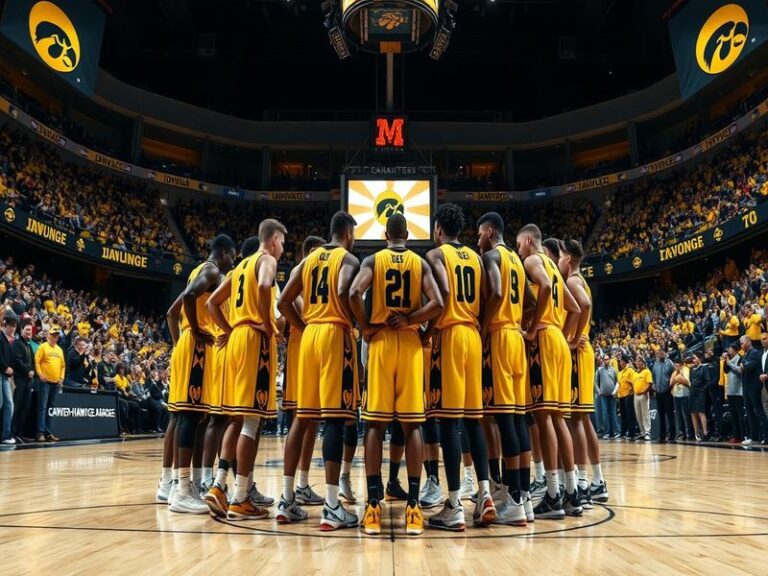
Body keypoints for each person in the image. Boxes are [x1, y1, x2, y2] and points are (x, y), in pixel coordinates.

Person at [349, 212, 443, 536]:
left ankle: (373, 506)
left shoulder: (373, 261)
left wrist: (365, 327)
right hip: (410, 342)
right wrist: (417, 323)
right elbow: (439, 302)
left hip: (381, 343)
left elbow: (353, 293)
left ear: (386, 235)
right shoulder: (420, 263)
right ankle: (413, 507)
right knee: (412, 425)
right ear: (408, 236)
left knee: (375, 425)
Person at [277, 211, 360, 531]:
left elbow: (284, 302)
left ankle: (287, 499)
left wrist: (303, 327)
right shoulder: (347, 259)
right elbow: (345, 292)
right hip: (334, 334)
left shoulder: (308, 261)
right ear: (348, 234)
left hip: (309, 336)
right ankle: (332, 505)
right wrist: (359, 322)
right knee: (336, 419)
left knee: (302, 418)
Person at [423, 204, 495, 530]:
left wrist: (427, 331)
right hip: (473, 335)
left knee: (449, 422)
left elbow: (442, 296)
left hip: (450, 335)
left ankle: (453, 504)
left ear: (438, 228)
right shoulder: (476, 258)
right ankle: (485, 494)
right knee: (474, 421)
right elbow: (491, 294)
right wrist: (481, 324)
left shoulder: (436, 255)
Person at [167, 234, 237, 514]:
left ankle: (188, 486)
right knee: (188, 417)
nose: (232, 262)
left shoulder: (198, 270)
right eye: (232, 257)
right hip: (197, 345)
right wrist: (195, 331)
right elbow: (188, 297)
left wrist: (179, 343)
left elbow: (171, 313)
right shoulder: (211, 270)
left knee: (195, 418)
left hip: (191, 346)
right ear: (224, 252)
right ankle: (182, 491)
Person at [516, 224, 582, 519]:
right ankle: (572, 493)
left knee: (544, 419)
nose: (518, 251)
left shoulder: (534, 260)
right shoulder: (555, 267)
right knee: (558, 419)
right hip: (558, 340)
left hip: (543, 339)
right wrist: (566, 339)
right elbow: (575, 308)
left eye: (519, 245)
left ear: (529, 241)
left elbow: (543, 287)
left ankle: (553, 495)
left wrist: (532, 330)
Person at [476, 212, 535, 525]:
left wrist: (484, 327)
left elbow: (497, 292)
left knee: (504, 419)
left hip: (499, 337)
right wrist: (524, 326)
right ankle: (523, 497)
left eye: (479, 235)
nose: (478, 241)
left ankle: (513, 499)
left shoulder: (492, 257)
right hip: (516, 338)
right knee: (518, 418)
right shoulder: (517, 260)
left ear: (489, 232)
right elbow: (532, 302)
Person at [279, 235, 327, 508]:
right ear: (308, 252)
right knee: (302, 415)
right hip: (303, 345)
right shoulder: (302, 269)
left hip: (309, 342)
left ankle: (302, 485)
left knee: (312, 419)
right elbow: (289, 304)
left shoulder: (309, 272)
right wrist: (304, 325)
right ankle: (292, 490)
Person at [559, 238, 607, 505]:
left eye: (560, 257)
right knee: (584, 419)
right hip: (585, 351)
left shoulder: (573, 281)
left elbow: (584, 305)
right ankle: (597, 480)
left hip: (578, 352)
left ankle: (582, 482)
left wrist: (574, 338)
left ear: (567, 259)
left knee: (576, 419)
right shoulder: (581, 280)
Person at [34, 327, 65, 443]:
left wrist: (62, 378)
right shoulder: (43, 347)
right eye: (53, 335)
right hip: (45, 382)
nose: (54, 337)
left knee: (50, 408)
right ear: (48, 336)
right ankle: (40, 433)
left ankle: (48, 433)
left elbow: (63, 366)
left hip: (56, 383)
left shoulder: (59, 350)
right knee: (42, 408)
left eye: (56, 336)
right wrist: (40, 374)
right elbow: (37, 361)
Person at [740, 334, 768, 446]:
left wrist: (743, 364)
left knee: (759, 411)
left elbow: (747, 367)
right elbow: (742, 366)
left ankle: (765, 436)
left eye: (742, 343)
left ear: (748, 342)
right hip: (746, 387)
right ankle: (753, 436)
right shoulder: (746, 354)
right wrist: (744, 364)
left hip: (754, 387)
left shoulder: (755, 352)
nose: (741, 345)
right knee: (749, 412)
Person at [11, 320, 36, 440]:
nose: (29, 332)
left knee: (25, 408)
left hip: (28, 382)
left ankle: (20, 434)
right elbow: (16, 360)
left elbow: (33, 362)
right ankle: (12, 433)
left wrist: (33, 371)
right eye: (27, 329)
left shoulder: (29, 345)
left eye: (30, 330)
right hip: (19, 380)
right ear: (21, 330)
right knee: (17, 407)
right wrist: (28, 371)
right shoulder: (17, 344)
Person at [722, 343, 745, 443]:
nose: (728, 351)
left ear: (735, 350)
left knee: (740, 415)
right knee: (733, 415)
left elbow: (739, 371)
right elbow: (725, 371)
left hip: (738, 392)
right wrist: (725, 361)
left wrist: (729, 363)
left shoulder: (740, 358)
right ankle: (736, 435)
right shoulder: (729, 359)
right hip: (730, 391)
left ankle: (743, 435)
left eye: (730, 349)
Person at [651, 349, 675, 443]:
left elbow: (674, 374)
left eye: (661, 353)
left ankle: (672, 435)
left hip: (667, 392)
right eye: (658, 353)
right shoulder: (655, 364)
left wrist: (670, 385)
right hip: (658, 393)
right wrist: (654, 385)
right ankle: (662, 435)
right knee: (661, 414)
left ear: (665, 354)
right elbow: (653, 376)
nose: (659, 355)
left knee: (670, 414)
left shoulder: (669, 363)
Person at [0, 312, 17, 444]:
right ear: (4, 325)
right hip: (1, 374)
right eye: (10, 326)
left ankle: (6, 436)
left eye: (14, 326)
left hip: (5, 377)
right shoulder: (1, 338)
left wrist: (10, 369)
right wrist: (6, 367)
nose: (13, 329)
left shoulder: (8, 341)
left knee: (9, 404)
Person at [594, 354, 619, 439]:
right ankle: (607, 432)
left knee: (613, 414)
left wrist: (615, 392)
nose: (606, 361)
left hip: (612, 396)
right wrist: (599, 392)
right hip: (603, 396)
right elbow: (595, 382)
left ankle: (616, 432)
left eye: (607, 359)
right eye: (604, 359)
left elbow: (617, 382)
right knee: (605, 414)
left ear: (610, 360)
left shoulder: (613, 370)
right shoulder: (599, 370)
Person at [670, 359, 692, 441]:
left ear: (681, 364)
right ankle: (682, 433)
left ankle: (689, 432)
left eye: (677, 364)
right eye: (675, 365)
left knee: (686, 415)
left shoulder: (686, 370)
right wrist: (675, 376)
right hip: (676, 395)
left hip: (685, 395)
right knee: (679, 415)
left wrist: (680, 378)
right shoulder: (675, 372)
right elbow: (670, 383)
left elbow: (688, 382)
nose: (675, 366)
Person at [688, 352, 709, 442]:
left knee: (701, 412)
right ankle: (696, 433)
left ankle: (705, 432)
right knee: (693, 412)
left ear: (700, 358)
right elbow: (690, 380)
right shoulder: (692, 369)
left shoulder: (704, 368)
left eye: (695, 358)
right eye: (693, 358)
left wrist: (703, 389)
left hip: (700, 392)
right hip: (692, 392)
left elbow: (707, 380)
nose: (694, 359)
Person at [632, 356, 652, 441]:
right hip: (636, 395)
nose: (637, 362)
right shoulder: (635, 373)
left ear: (642, 362)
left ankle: (647, 432)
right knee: (638, 414)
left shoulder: (647, 371)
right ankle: (642, 432)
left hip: (643, 395)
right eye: (636, 361)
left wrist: (644, 392)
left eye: (638, 361)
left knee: (645, 414)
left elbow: (650, 383)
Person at [617, 356, 637, 440]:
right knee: (623, 415)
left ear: (626, 362)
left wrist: (631, 392)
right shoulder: (619, 372)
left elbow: (634, 382)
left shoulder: (630, 370)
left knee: (630, 415)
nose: (621, 363)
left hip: (628, 395)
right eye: (620, 362)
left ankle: (632, 434)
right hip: (621, 396)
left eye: (622, 361)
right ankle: (623, 433)